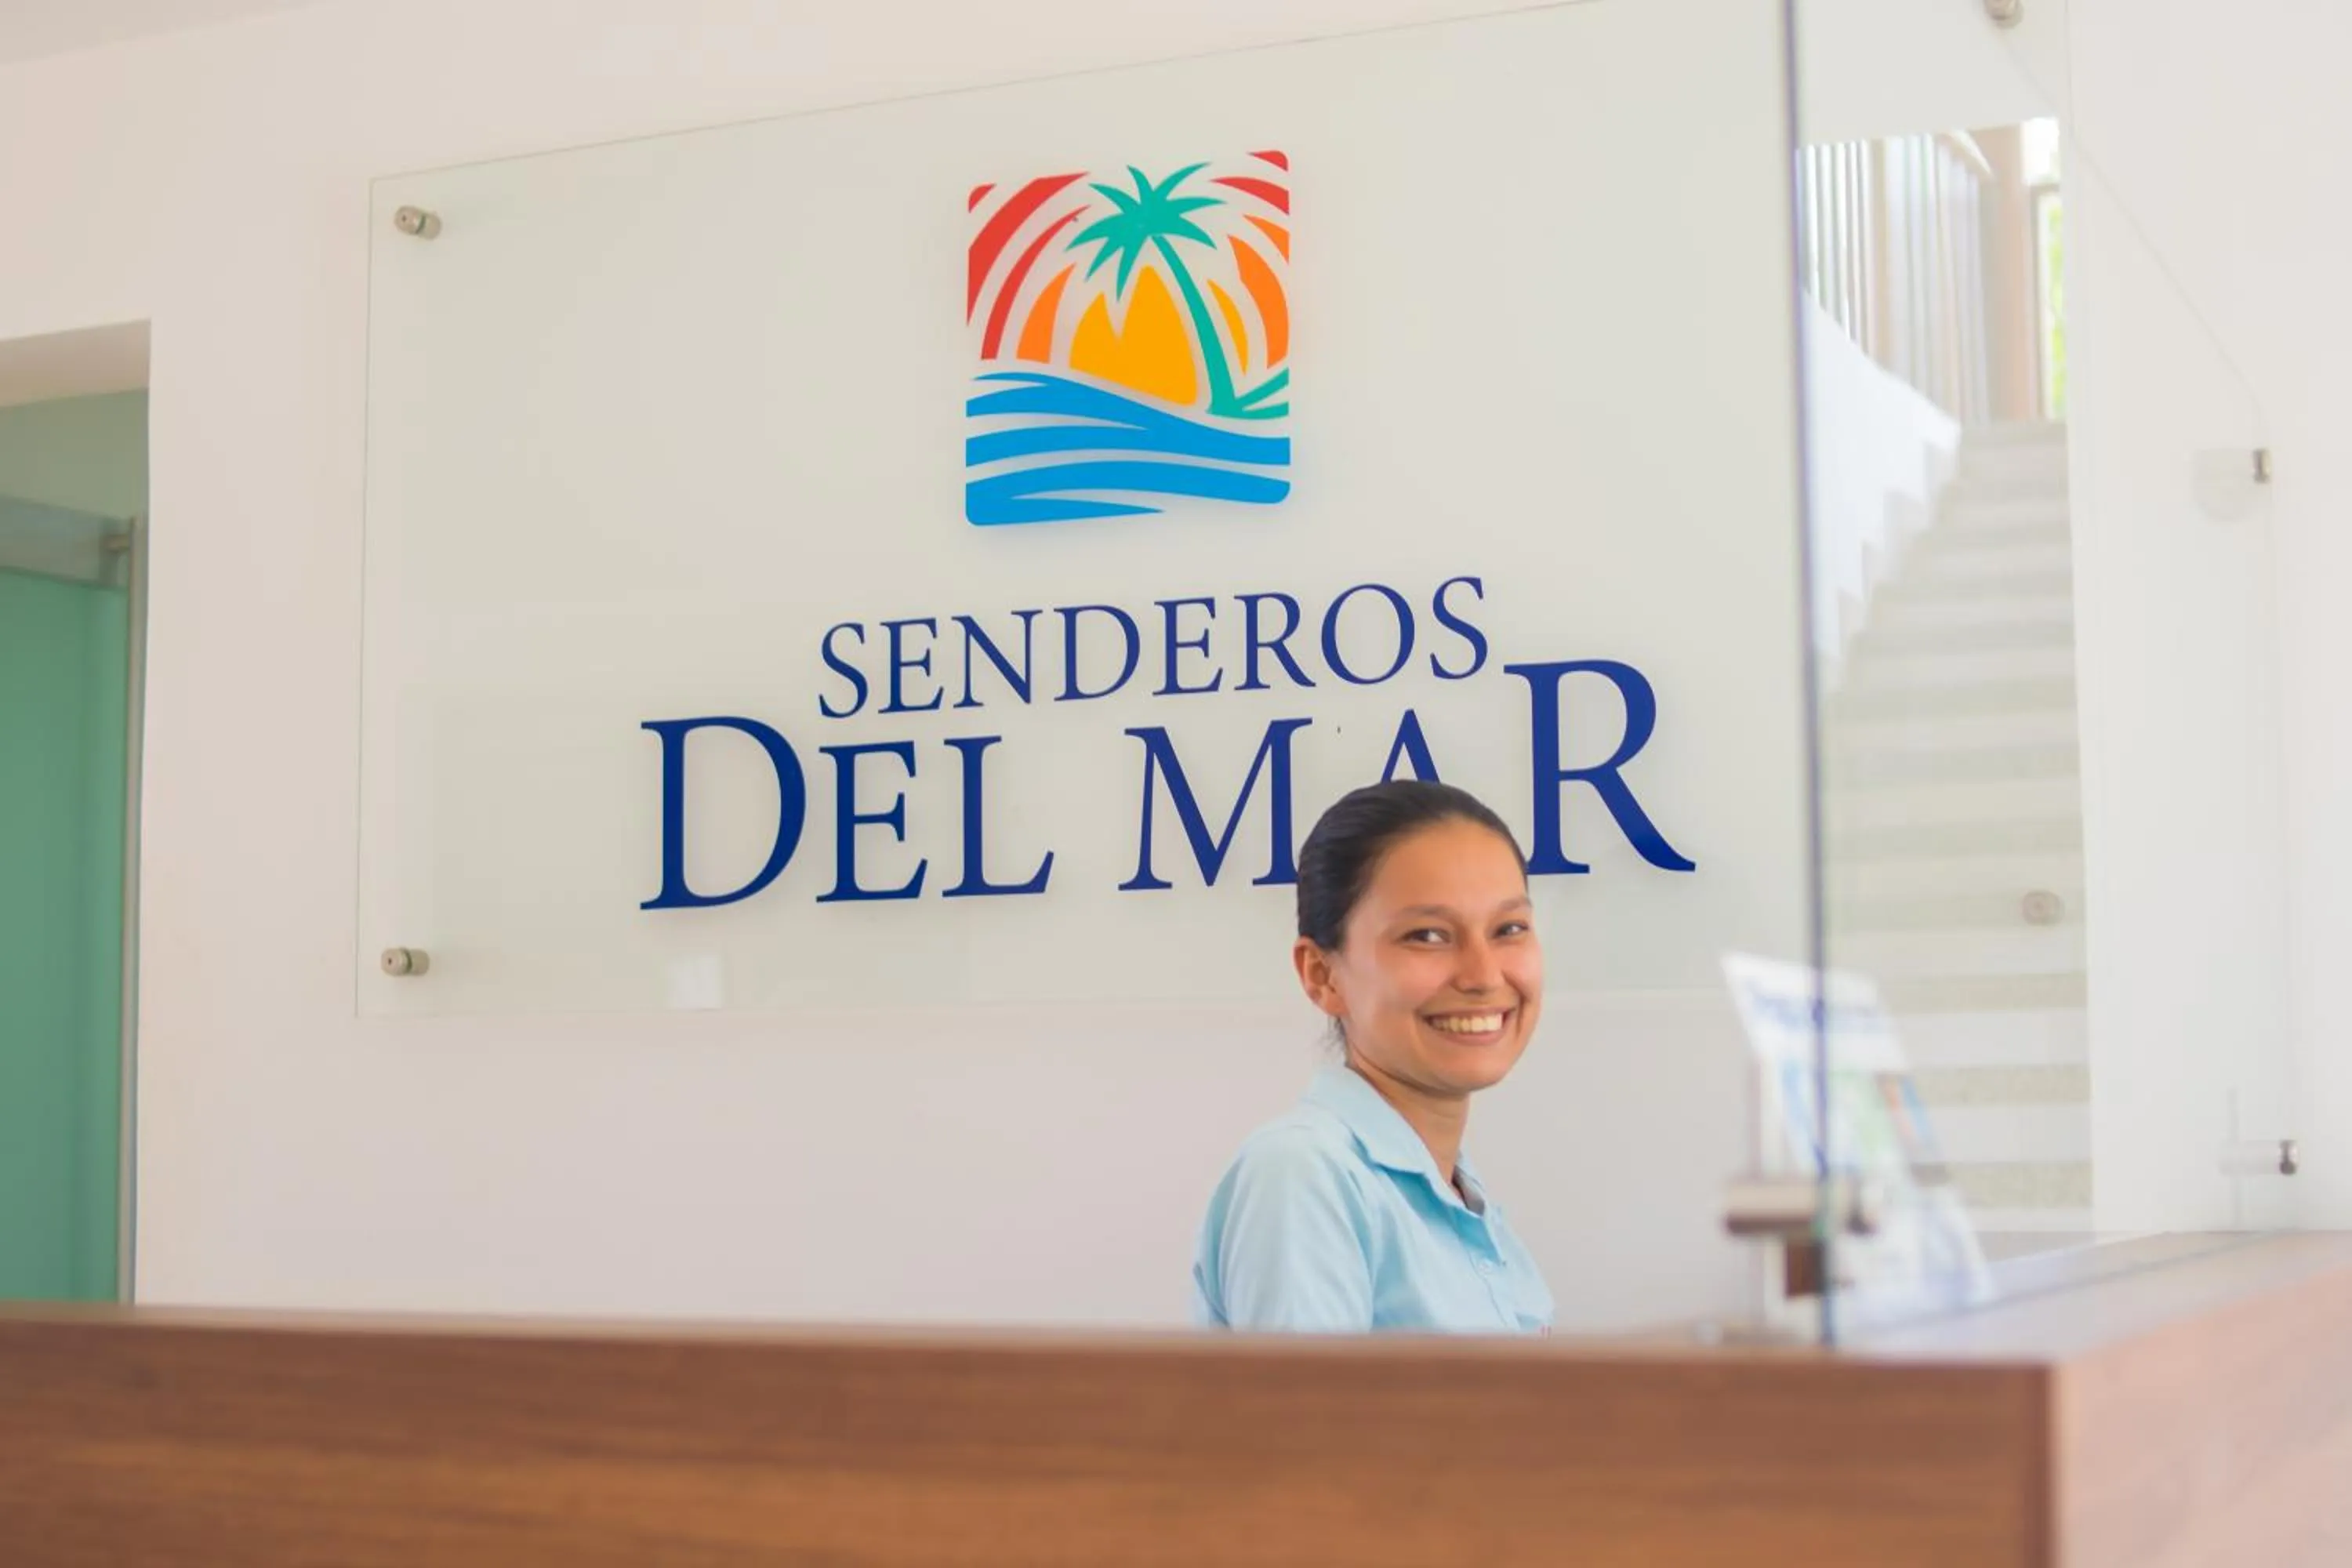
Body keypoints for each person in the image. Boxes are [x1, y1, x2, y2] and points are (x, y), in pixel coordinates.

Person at [1191, 779, 1555, 1334]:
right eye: (1427, 936)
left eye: (1509, 929)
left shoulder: (1454, 1190)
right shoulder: (1305, 1174)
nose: (1483, 976)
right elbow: (1309, 1396)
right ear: (1322, 974)